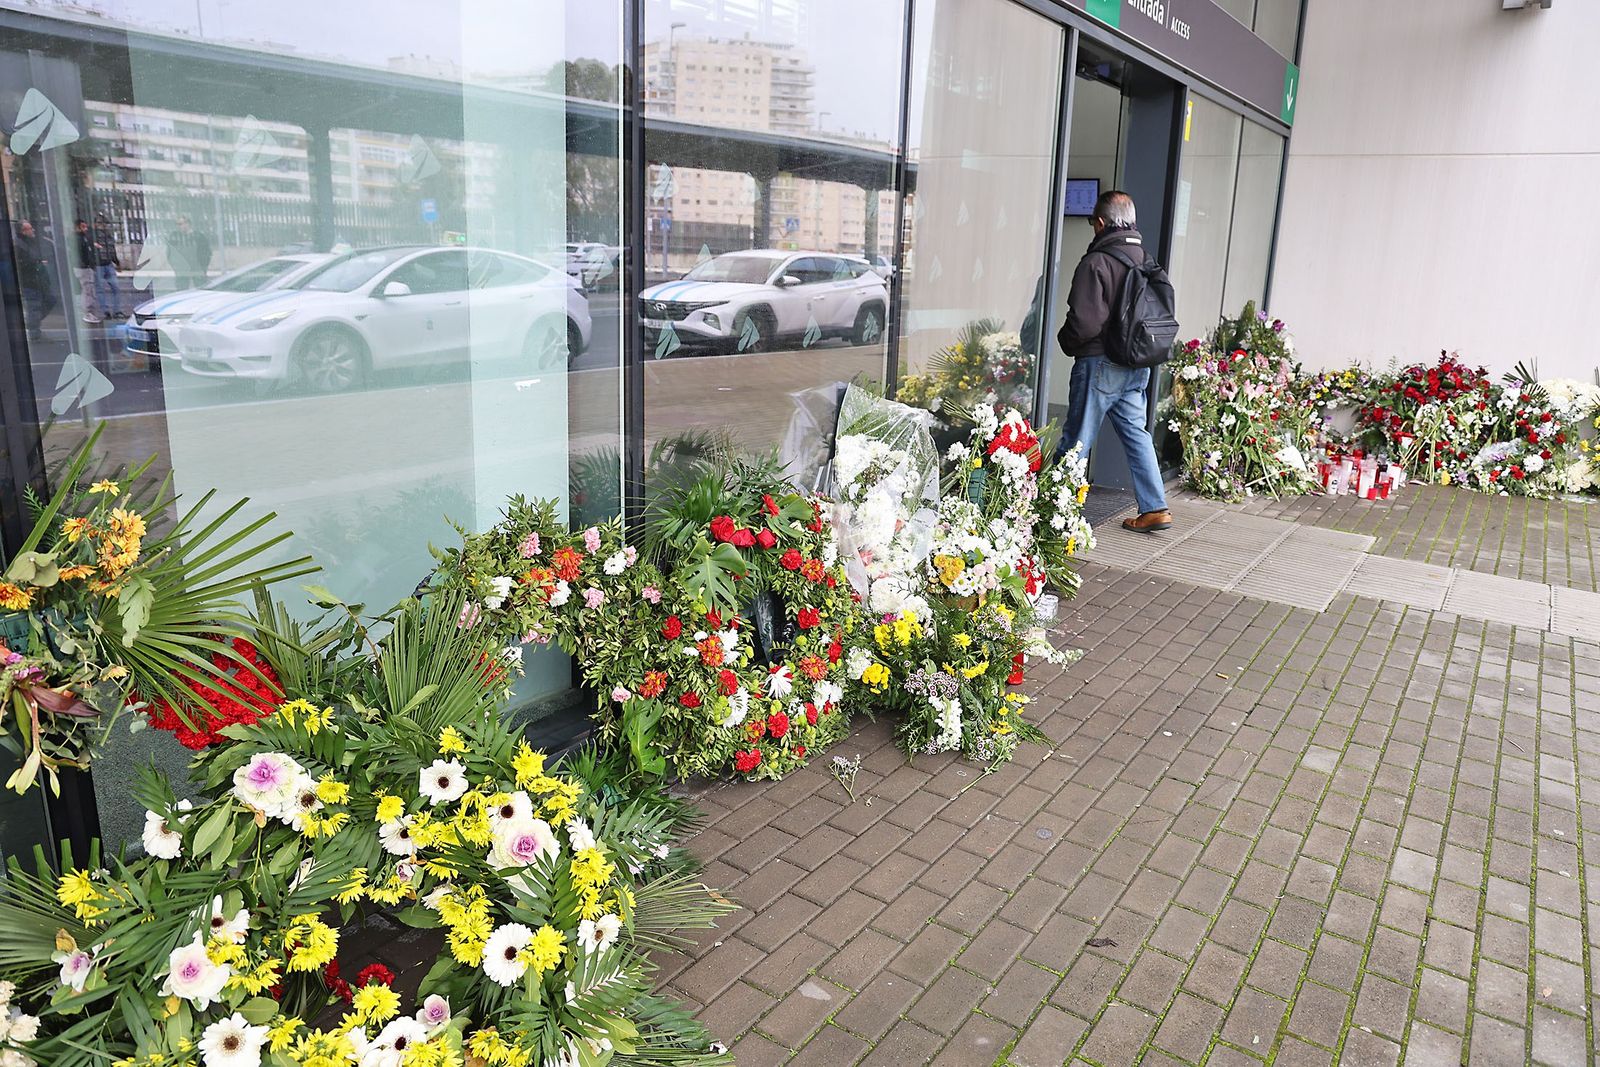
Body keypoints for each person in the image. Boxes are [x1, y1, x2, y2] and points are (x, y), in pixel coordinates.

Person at [1057, 189, 1173, 534]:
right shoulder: (1145, 260)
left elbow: (1085, 323)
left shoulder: (1097, 262)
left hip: (1099, 365)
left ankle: (1054, 516)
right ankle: (1155, 508)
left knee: (1076, 439)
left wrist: (1066, 341)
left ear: (1102, 223)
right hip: (1137, 364)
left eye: (1094, 221)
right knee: (1137, 435)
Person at [13, 221, 57, 340]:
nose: (32, 230)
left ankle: (32, 323)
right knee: (34, 306)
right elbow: (22, 264)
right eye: (29, 229)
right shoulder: (19, 245)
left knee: (50, 300)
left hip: (38, 280)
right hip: (30, 281)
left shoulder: (29, 243)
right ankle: (34, 331)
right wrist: (37, 264)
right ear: (22, 231)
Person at [168, 215, 212, 290]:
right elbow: (170, 253)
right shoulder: (174, 237)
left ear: (189, 224)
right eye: (180, 224)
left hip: (198, 269)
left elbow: (207, 252)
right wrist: (176, 267)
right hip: (182, 270)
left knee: (201, 289)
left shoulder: (199, 236)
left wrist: (203, 267)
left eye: (185, 223)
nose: (183, 226)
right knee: (182, 290)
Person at [71, 219, 102, 323]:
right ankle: (88, 313)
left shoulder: (83, 238)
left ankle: (88, 312)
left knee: (88, 290)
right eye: (83, 227)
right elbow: (80, 254)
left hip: (85, 267)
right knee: (88, 290)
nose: (86, 229)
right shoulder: (78, 239)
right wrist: (86, 264)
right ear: (77, 227)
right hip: (83, 268)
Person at [91, 216, 122, 318]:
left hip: (108, 264)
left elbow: (112, 250)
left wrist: (116, 262)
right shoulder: (93, 235)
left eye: (104, 223)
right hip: (98, 265)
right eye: (100, 223)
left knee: (115, 288)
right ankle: (106, 311)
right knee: (101, 289)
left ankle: (116, 311)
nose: (103, 226)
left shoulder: (108, 236)